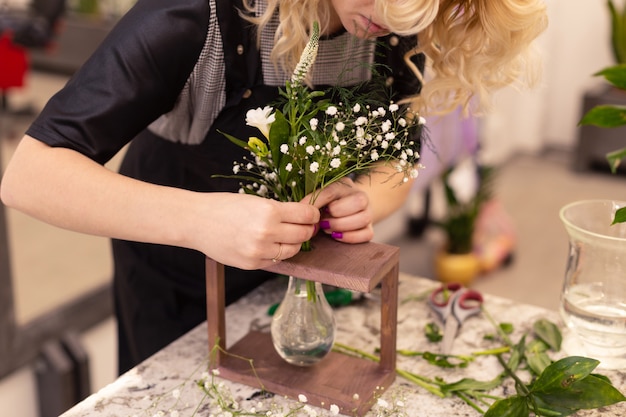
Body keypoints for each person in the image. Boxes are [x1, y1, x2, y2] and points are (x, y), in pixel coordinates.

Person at [0, 0, 547, 374]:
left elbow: (396, 159)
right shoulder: (201, 14)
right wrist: (202, 221)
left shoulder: (394, 23)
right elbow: (30, 175)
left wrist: (364, 199)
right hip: (176, 277)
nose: (385, 19)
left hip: (298, 276)